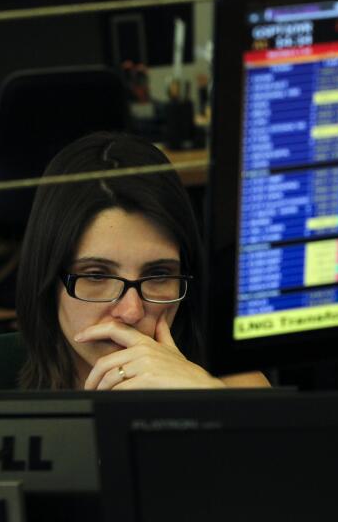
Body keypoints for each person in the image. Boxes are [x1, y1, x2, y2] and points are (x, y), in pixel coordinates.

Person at [16, 131, 269, 390]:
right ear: (46, 278)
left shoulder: (232, 387)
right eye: (96, 275)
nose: (131, 312)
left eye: (159, 275)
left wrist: (204, 401)